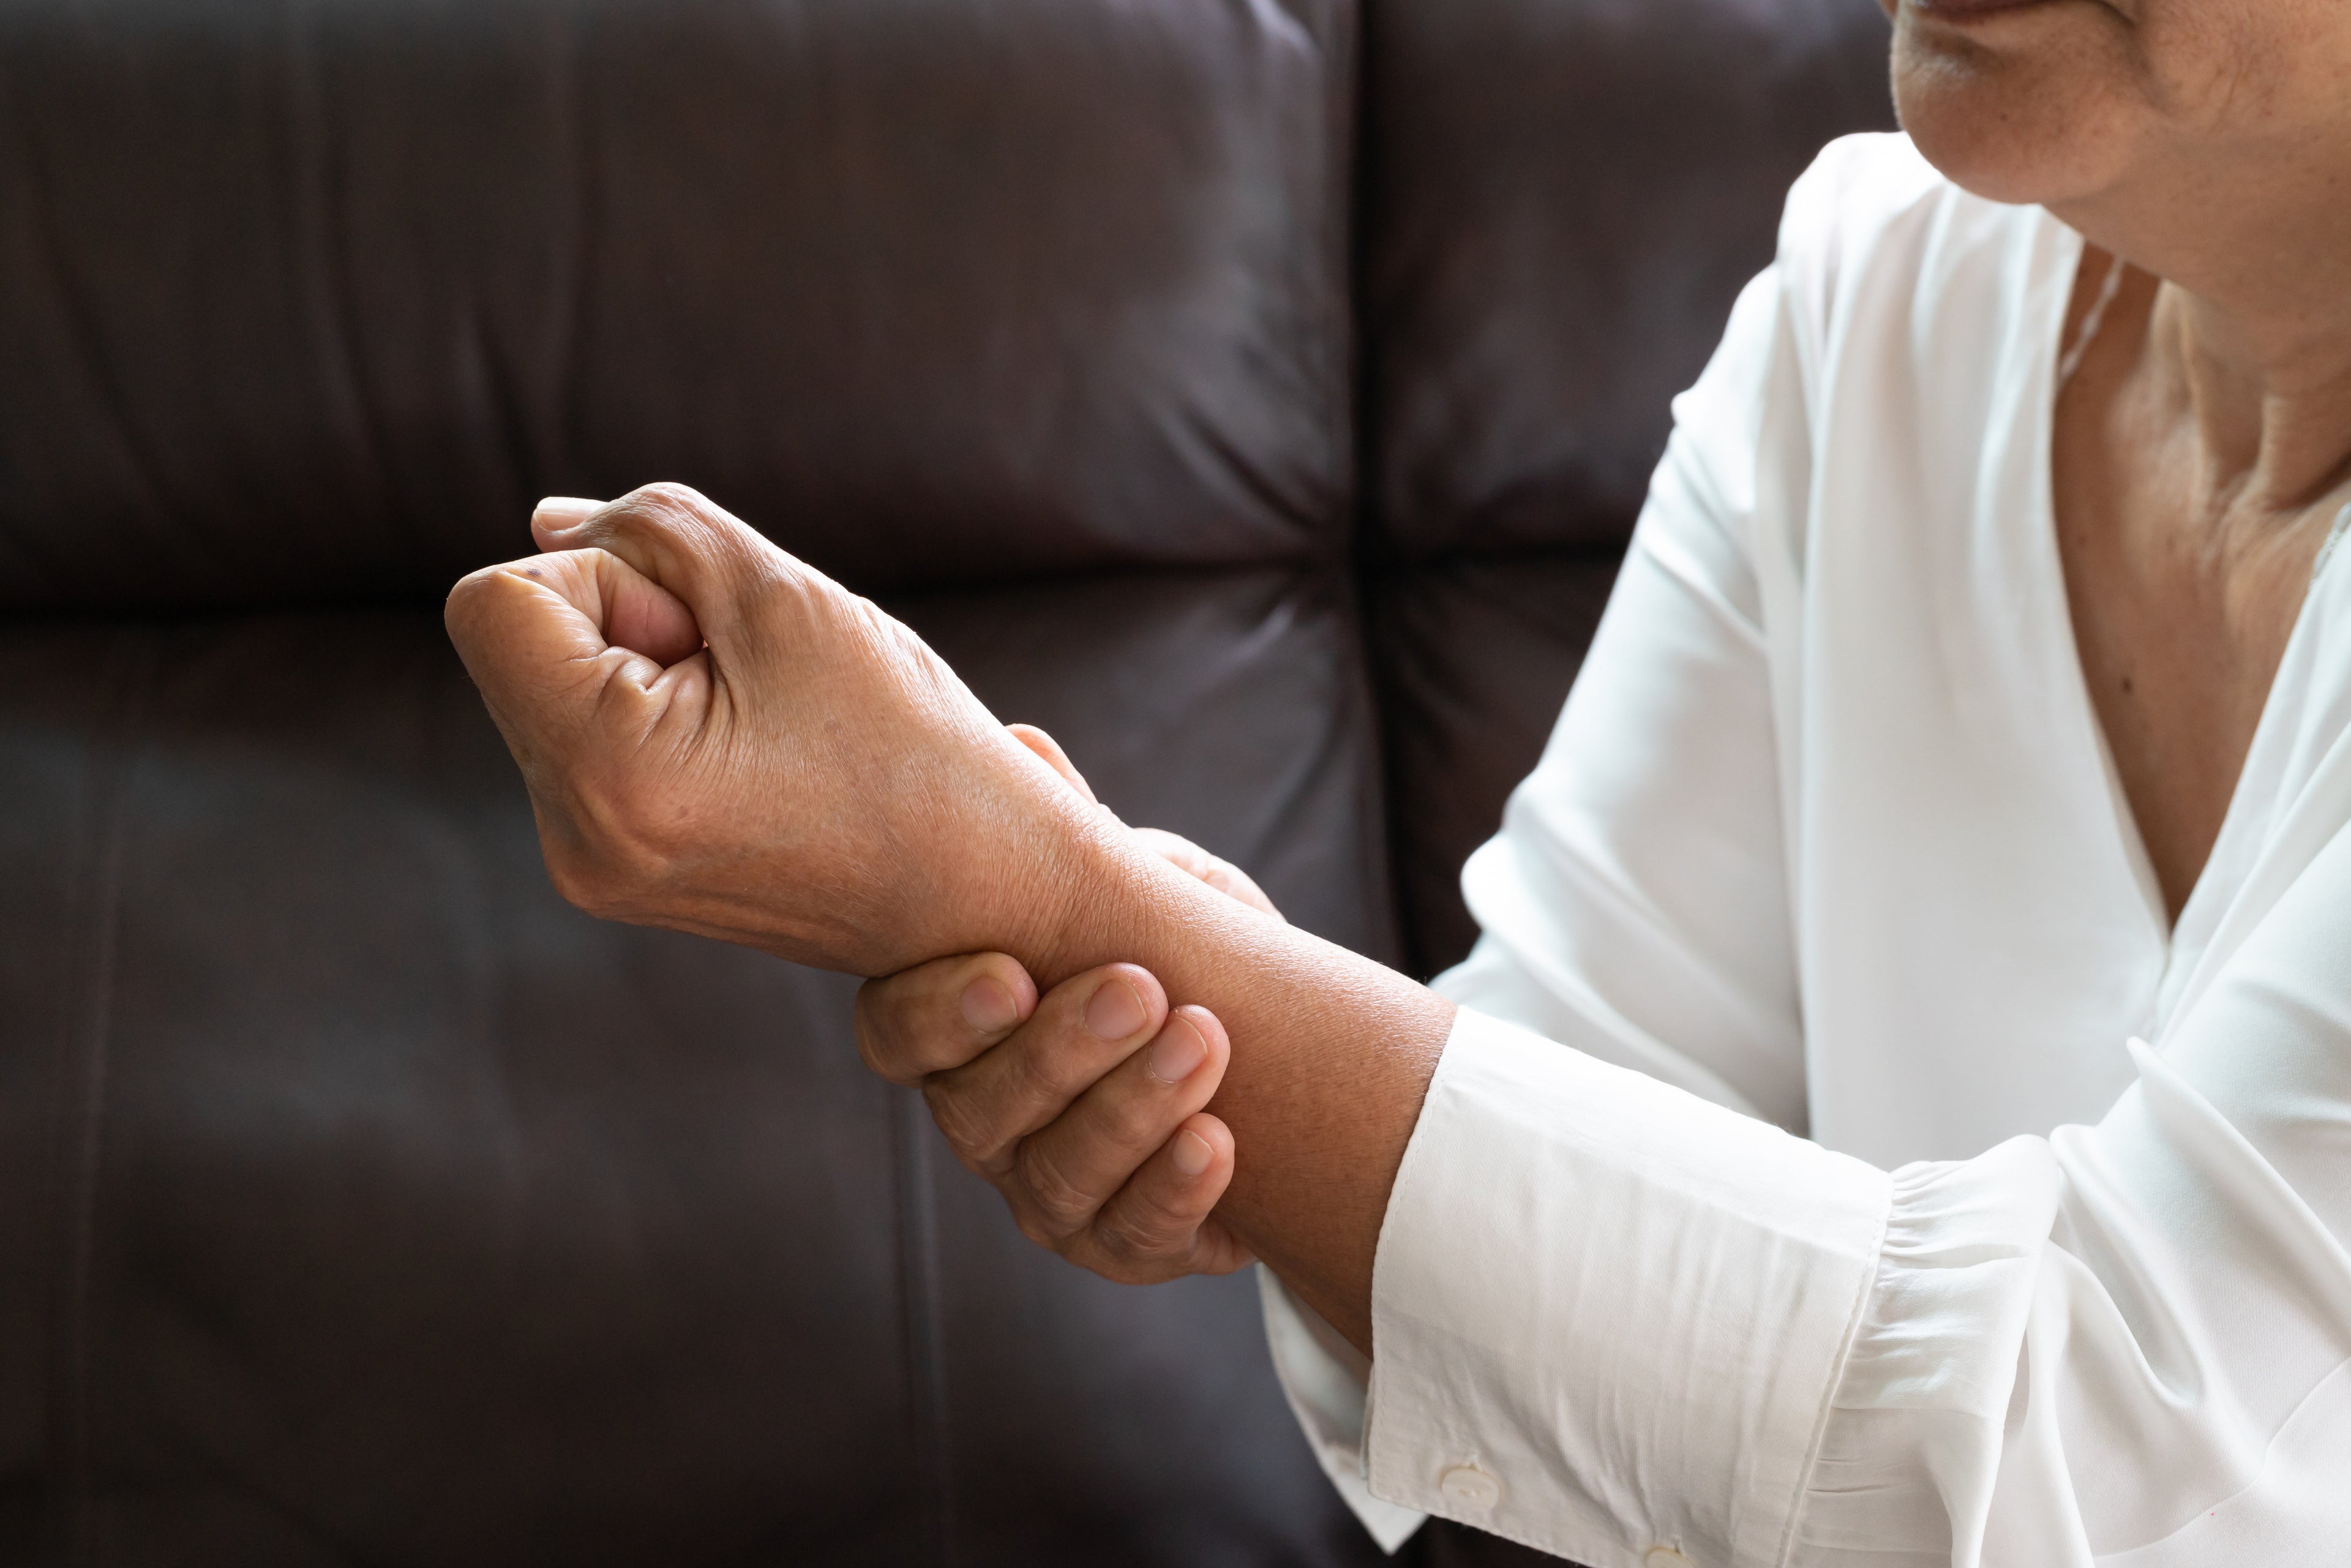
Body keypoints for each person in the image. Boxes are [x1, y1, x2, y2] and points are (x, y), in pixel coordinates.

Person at [443, 0, 2351, 1561]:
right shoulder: (1874, 306)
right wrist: (1195, 1027)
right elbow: (1584, 1121)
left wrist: (1048, 907)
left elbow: (2105, 1466)